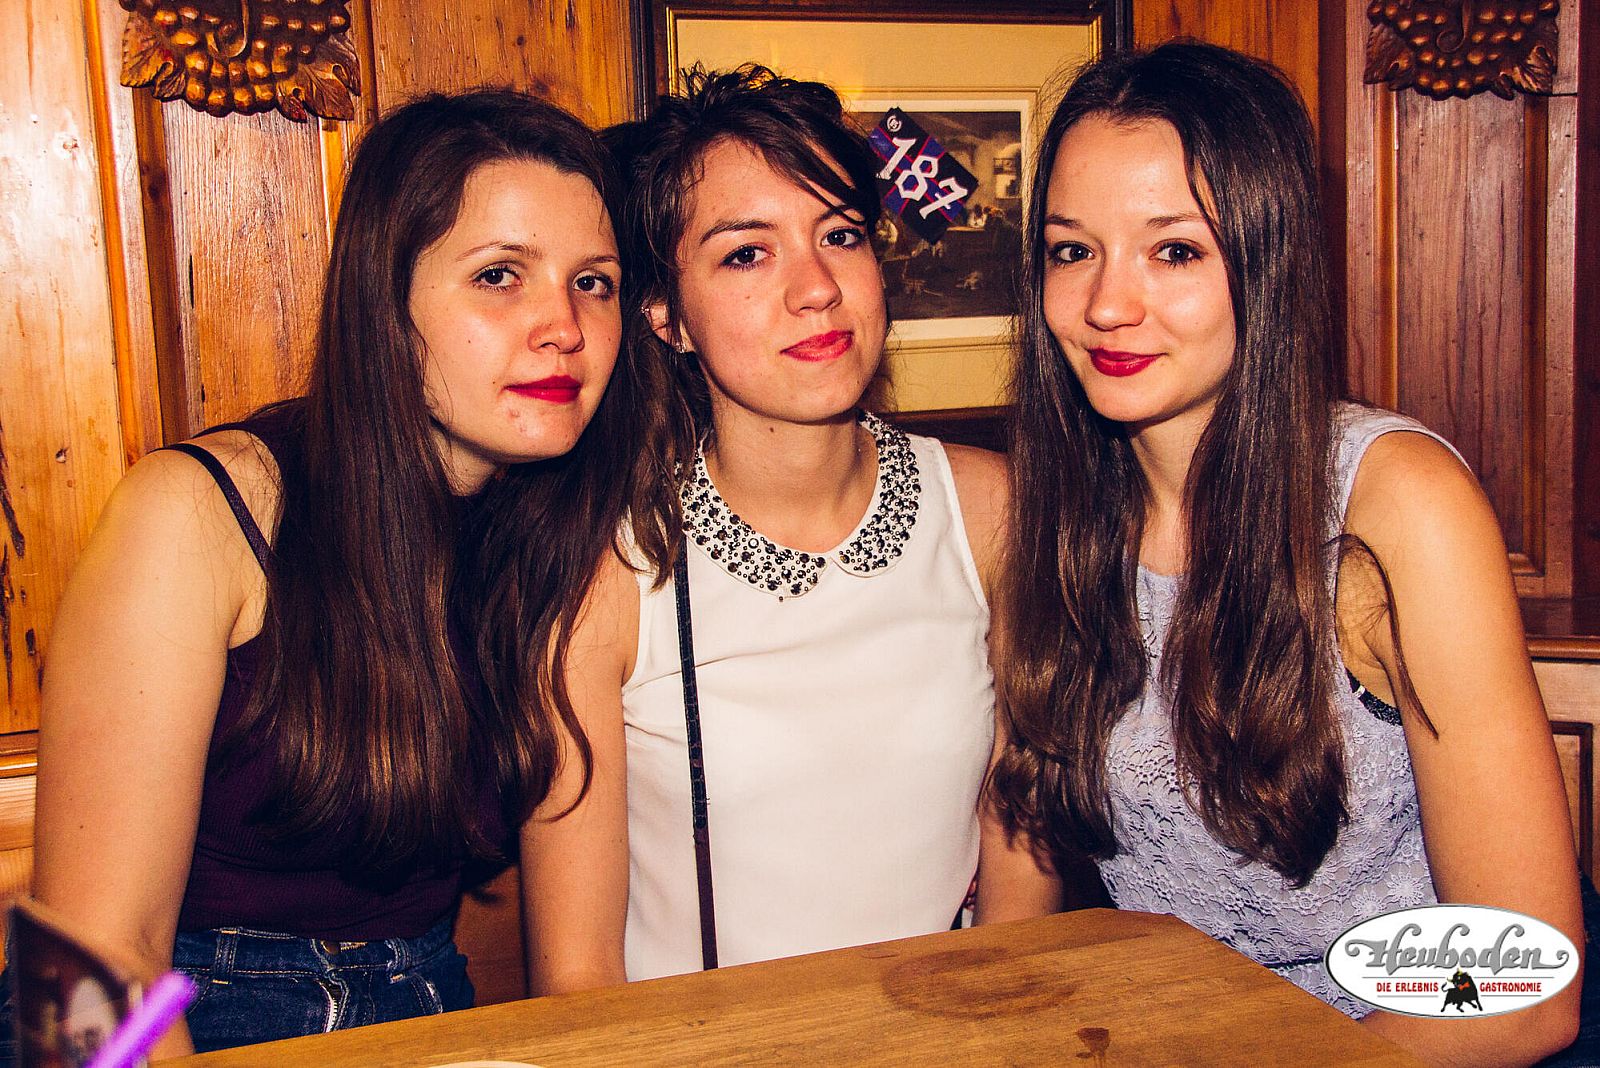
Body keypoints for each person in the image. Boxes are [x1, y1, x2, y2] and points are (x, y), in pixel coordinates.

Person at [27, 89, 673, 1058]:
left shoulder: (560, 540)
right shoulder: (204, 512)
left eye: (594, 282)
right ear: (385, 304)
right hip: (194, 1014)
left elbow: (578, 966)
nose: (564, 326)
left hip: (429, 1000)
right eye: (499, 275)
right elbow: (96, 963)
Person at [986, 42, 1587, 1066]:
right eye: (1071, 250)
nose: (1107, 305)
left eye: (1176, 251)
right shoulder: (1052, 516)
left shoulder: (1394, 506)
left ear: (1266, 260)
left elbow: (1523, 991)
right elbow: (1018, 905)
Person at [521, 65, 1011, 990]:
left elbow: (1021, 866)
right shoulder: (604, 571)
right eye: (747, 254)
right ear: (667, 317)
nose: (817, 287)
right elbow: (576, 976)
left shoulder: (989, 512)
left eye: (841, 235)